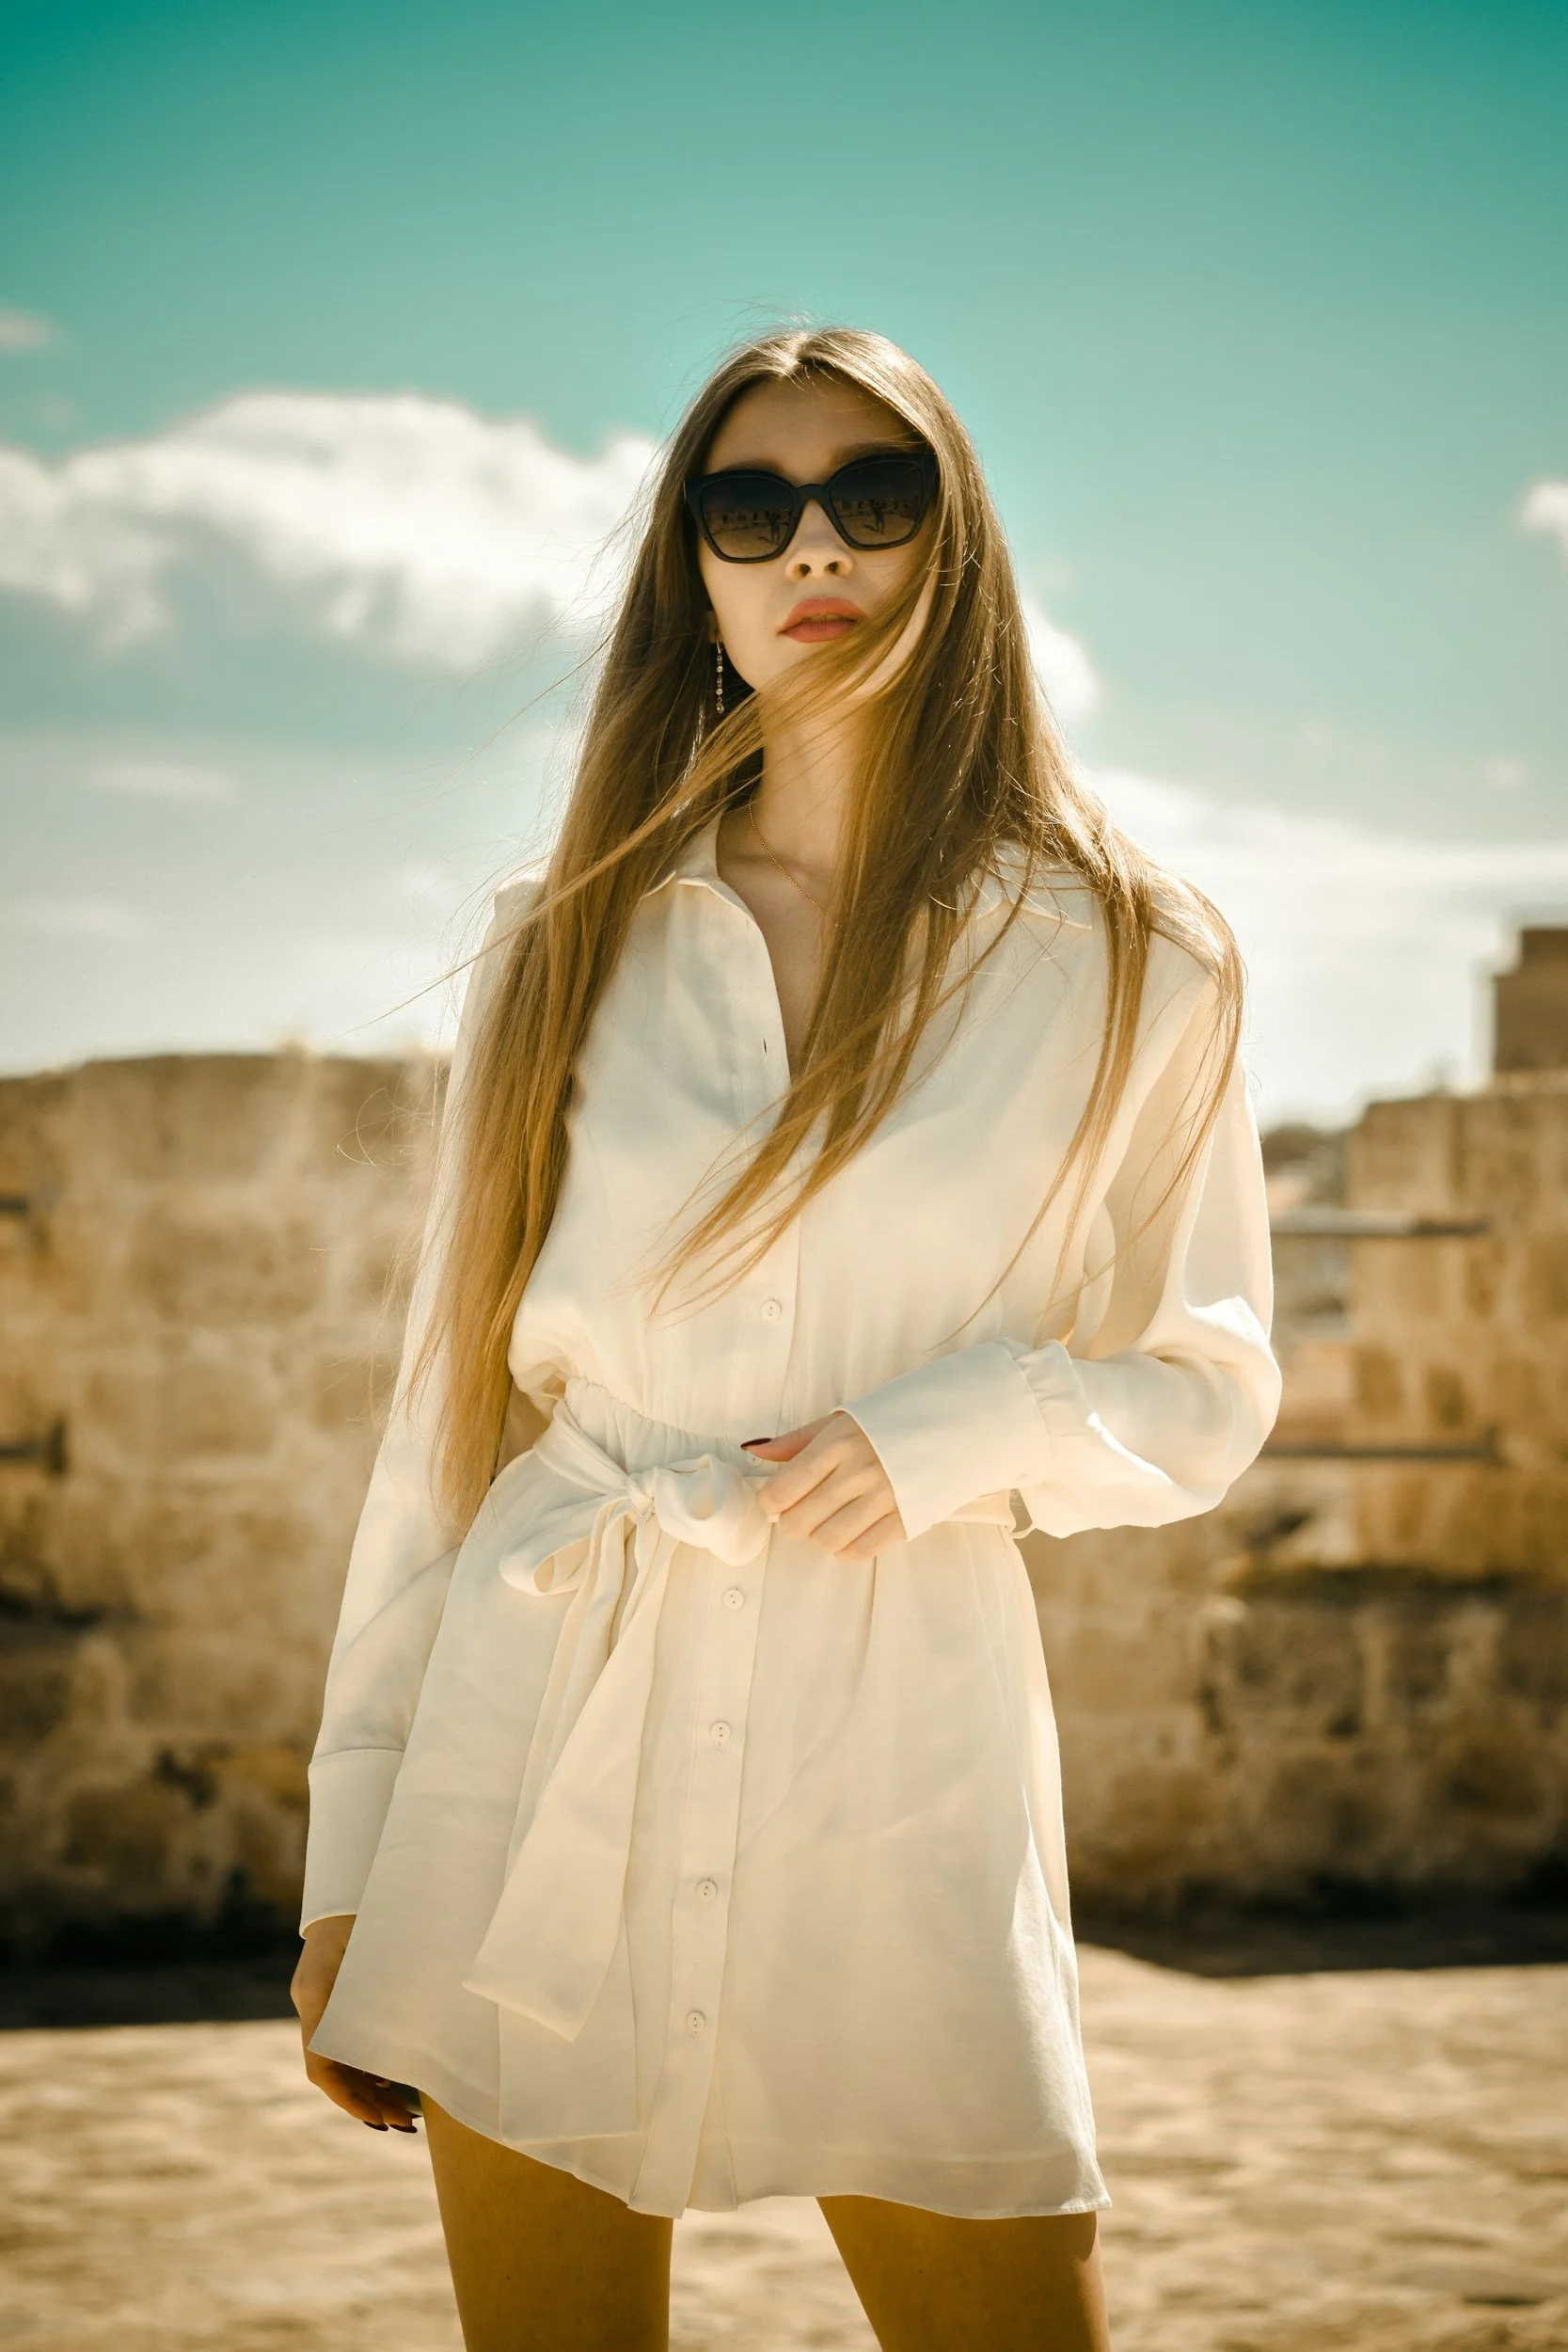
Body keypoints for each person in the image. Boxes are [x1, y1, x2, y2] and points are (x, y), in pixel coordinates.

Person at [291, 324, 1281, 2352]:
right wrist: (354, 1854)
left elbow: (1200, 1386)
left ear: (957, 544)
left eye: (874, 493)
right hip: (537, 1706)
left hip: (899, 1717)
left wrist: (958, 1424)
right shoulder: (564, 930)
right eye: (748, 505)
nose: (811, 541)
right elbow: (445, 1420)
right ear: (695, 572)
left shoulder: (1126, 956)